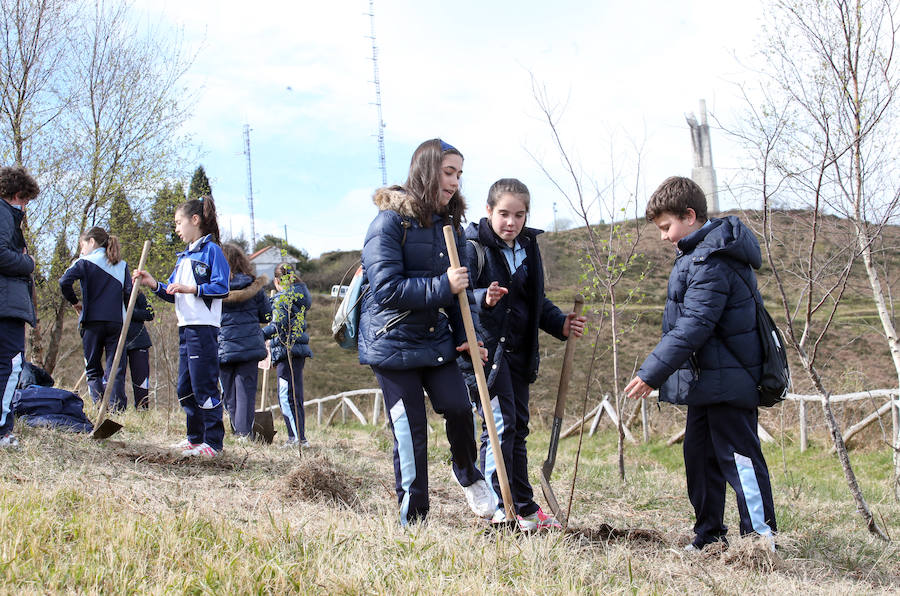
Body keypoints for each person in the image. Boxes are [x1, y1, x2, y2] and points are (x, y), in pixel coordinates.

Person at [624, 176, 777, 551]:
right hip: (706, 382)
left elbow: (695, 325)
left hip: (731, 380)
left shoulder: (713, 259)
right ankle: (709, 537)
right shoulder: (696, 254)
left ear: (689, 215)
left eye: (667, 227)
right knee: (700, 459)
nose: (663, 236)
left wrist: (651, 372)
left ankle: (761, 540)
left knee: (739, 459)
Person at [358, 138, 493, 525]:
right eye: (448, 172)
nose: (454, 182)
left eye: (459, 174)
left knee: (459, 408)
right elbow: (386, 290)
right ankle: (413, 520)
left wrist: (468, 336)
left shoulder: (451, 226)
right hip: (391, 342)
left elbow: (459, 296)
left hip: (435, 339)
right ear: (426, 170)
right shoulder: (388, 222)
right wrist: (442, 286)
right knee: (409, 431)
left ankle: (467, 472)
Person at [461, 178, 587, 531]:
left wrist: (560, 323)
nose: (511, 222)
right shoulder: (472, 246)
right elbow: (458, 298)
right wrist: (482, 298)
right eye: (503, 214)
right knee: (500, 427)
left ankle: (525, 507)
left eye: (519, 215)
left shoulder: (529, 245)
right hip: (488, 350)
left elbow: (535, 302)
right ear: (488, 211)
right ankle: (499, 508)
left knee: (518, 428)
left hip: (520, 352)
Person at [132, 196, 230, 458]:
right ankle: (194, 438)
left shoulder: (212, 252)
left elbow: (222, 287)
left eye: (178, 222)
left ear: (195, 220)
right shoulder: (183, 257)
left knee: (204, 385)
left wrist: (192, 288)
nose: (176, 228)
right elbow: (172, 291)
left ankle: (214, 443)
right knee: (184, 387)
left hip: (203, 328)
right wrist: (153, 283)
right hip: (185, 328)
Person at [59, 227, 131, 411]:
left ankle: (99, 407)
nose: (81, 250)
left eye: (82, 245)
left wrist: (75, 302)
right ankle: (117, 410)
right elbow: (129, 293)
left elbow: (64, 282)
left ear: (91, 242)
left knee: (92, 367)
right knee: (115, 367)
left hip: (91, 321)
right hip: (117, 321)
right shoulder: (121, 265)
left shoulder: (83, 262)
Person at [0, 165, 40, 448]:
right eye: (25, 201)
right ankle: (2, 430)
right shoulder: (4, 213)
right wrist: (28, 263)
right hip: (6, 304)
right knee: (11, 365)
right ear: (16, 194)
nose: (25, 207)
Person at [218, 243, 270, 439]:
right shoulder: (254, 285)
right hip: (248, 348)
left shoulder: (214, 287)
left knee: (229, 393)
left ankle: (237, 430)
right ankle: (244, 433)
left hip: (223, 346)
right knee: (245, 392)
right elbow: (266, 315)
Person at [262, 263, 311, 447]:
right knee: (294, 394)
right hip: (296, 351)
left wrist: (261, 335)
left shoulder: (283, 299)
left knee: (286, 395)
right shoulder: (298, 297)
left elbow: (278, 325)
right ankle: (299, 436)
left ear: (276, 281)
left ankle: (296, 438)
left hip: (286, 350)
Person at [124, 290, 153, 409]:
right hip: (115, 341)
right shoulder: (110, 291)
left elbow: (149, 314)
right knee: (115, 378)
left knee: (141, 379)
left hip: (138, 341)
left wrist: (130, 312)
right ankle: (116, 409)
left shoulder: (137, 293)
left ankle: (142, 410)